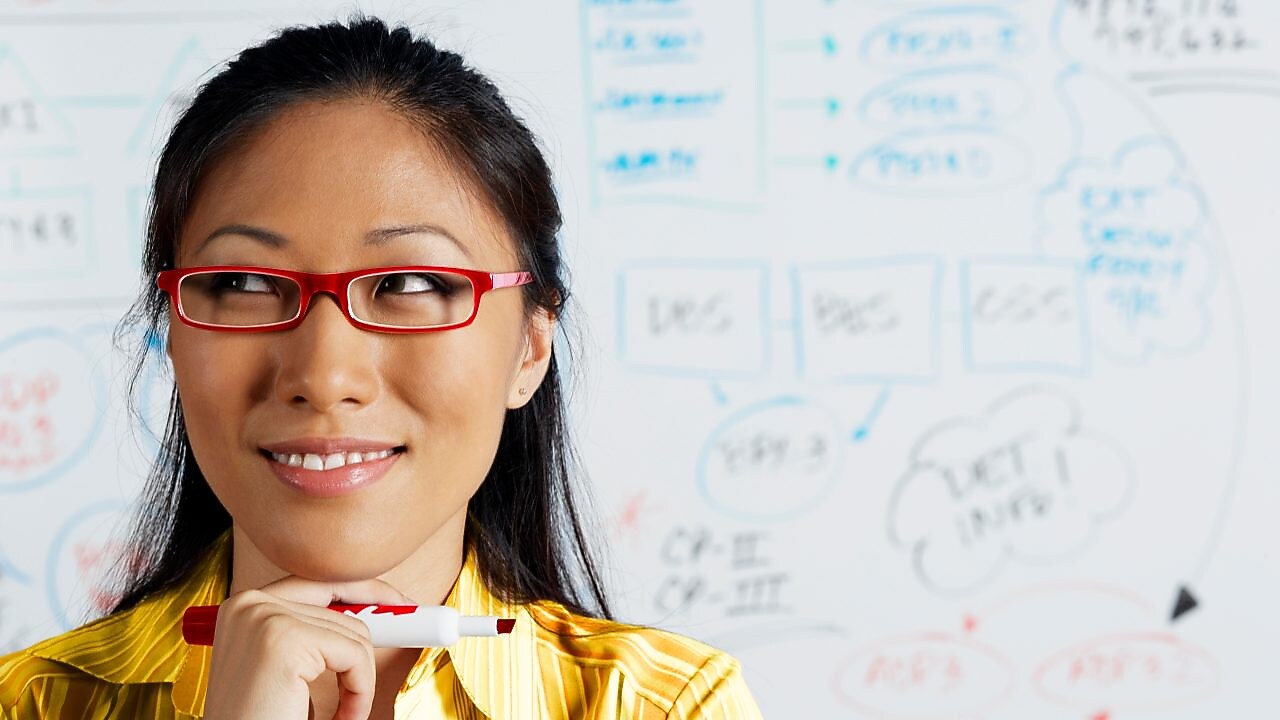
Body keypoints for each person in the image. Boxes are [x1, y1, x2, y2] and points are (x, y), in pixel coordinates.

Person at [0, 15, 763, 719]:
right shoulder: (31, 702)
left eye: (409, 285)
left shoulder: (666, 706)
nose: (325, 376)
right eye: (245, 285)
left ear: (530, 346)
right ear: (171, 327)